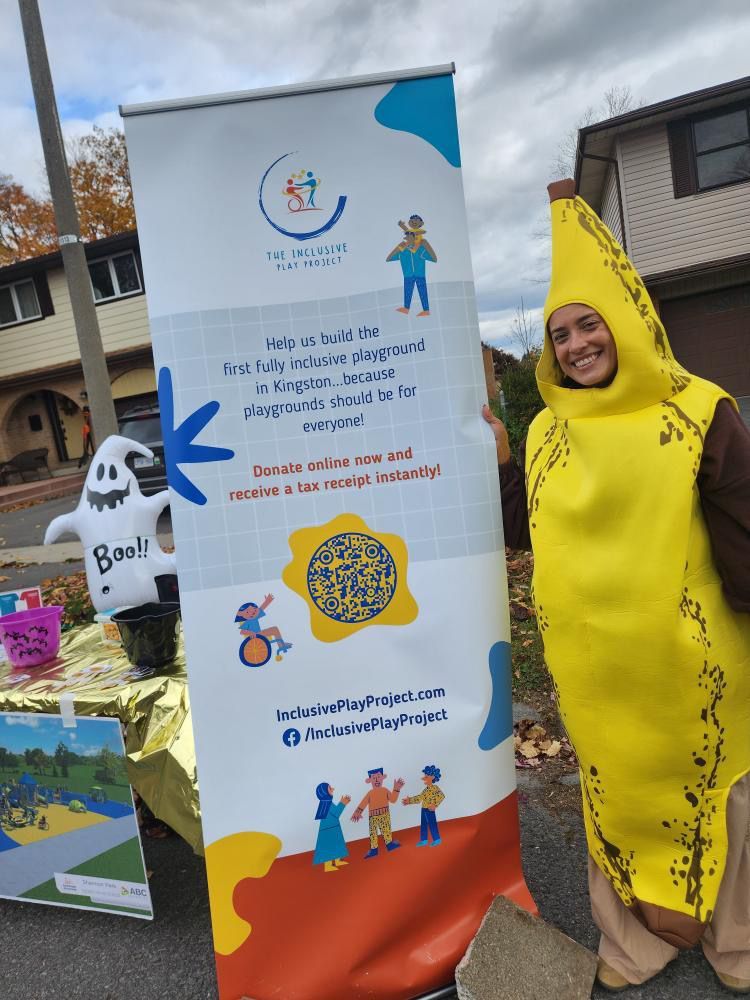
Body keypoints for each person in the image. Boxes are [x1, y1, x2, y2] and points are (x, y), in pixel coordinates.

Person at [483, 179, 750, 994]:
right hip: (596, 675)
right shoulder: (546, 434)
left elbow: (744, 532)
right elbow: (522, 529)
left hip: (692, 667)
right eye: (560, 332)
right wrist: (496, 456)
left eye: (588, 323)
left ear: (627, 322)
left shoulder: (702, 411)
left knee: (724, 799)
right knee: (612, 804)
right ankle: (635, 942)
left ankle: (736, 942)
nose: (574, 345)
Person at [350, 767, 405, 858]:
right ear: (369, 780)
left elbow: (393, 800)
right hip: (373, 817)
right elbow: (363, 803)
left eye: (378, 776)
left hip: (384, 815)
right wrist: (357, 812)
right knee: (373, 833)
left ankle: (389, 845)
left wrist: (396, 789)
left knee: (386, 830)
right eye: (374, 777)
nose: (376, 779)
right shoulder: (370, 793)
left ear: (383, 777)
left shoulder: (385, 790)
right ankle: (374, 850)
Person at [386, 229, 437, 317]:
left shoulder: (421, 249)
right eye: (407, 238)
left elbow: (434, 259)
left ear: (414, 238)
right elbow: (388, 259)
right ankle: (406, 308)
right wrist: (398, 247)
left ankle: (426, 310)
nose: (408, 240)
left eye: (410, 237)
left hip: (420, 274)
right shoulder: (402, 251)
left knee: (422, 291)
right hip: (408, 275)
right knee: (408, 291)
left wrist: (427, 245)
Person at [402, 764, 445, 846]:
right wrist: (409, 800)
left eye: (426, 776)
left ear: (432, 777)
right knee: (424, 824)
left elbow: (441, 796)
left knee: (432, 824)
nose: (424, 778)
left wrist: (435, 805)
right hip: (423, 809)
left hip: (430, 810)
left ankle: (437, 839)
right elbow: (419, 798)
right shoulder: (425, 790)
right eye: (424, 776)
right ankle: (424, 840)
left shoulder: (435, 788)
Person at [312, 782, 351, 872]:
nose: (332, 789)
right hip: (329, 829)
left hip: (333, 827)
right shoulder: (327, 803)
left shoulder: (327, 803)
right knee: (329, 846)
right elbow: (336, 813)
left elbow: (334, 813)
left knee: (336, 844)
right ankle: (328, 865)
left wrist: (341, 803)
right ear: (324, 792)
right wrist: (343, 803)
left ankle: (337, 861)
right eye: (330, 788)